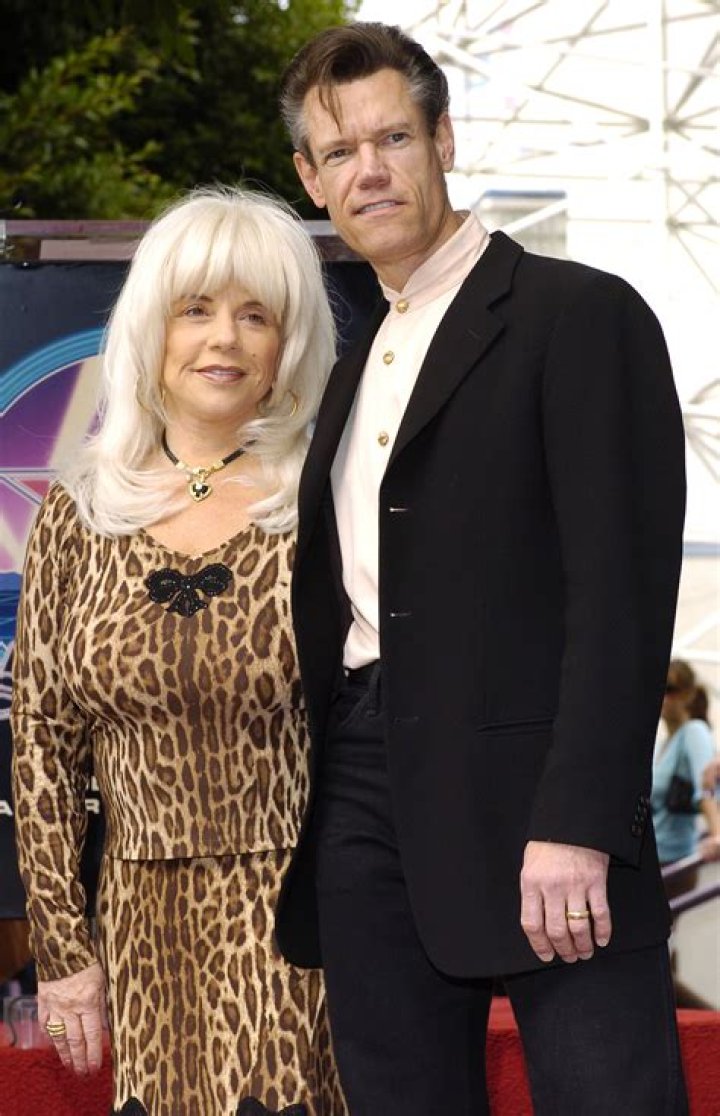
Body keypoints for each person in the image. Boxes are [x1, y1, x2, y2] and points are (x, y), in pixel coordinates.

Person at [275, 21, 690, 1116]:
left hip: (539, 796)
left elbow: (621, 596)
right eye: (340, 151)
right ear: (311, 180)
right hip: (363, 790)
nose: (370, 170)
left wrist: (580, 817)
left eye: (393, 138)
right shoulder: (351, 368)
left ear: (444, 141)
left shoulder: (578, 315)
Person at [11, 186, 347, 1116]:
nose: (223, 339)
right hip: (134, 920)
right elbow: (41, 743)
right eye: (196, 309)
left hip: (299, 917)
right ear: (151, 327)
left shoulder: (330, 503)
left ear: (290, 344)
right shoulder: (79, 510)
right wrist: (65, 951)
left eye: (255, 315)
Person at [653, 659, 720, 880]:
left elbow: (707, 787)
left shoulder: (694, 731)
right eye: (657, 687)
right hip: (652, 856)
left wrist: (716, 833)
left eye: (670, 689)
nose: (662, 697)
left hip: (673, 862)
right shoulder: (661, 744)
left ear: (687, 694)